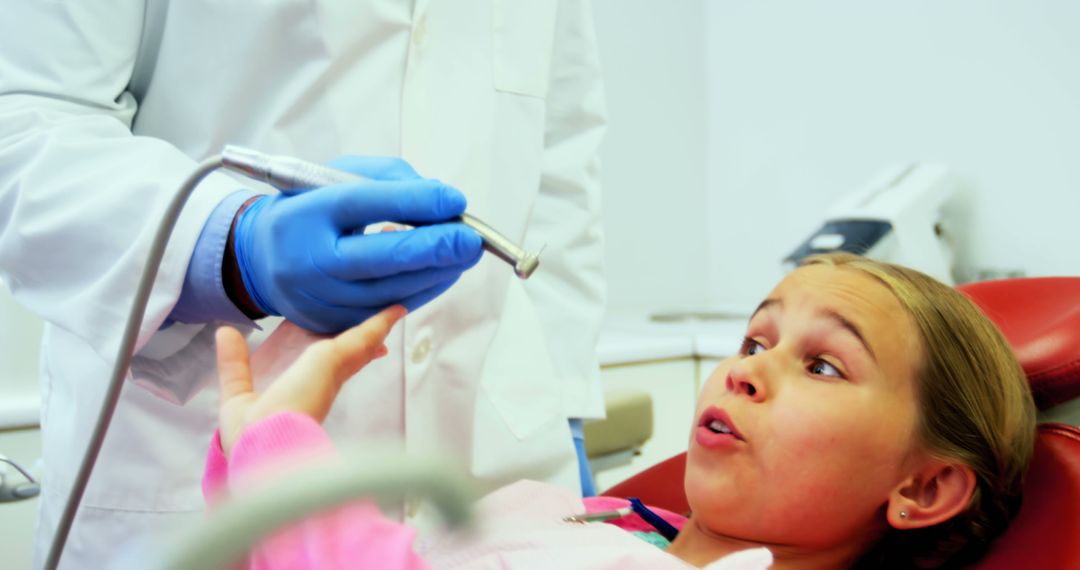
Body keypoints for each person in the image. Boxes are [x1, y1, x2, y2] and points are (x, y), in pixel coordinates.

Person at [0, 2, 607, 568]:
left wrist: (565, 403)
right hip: (188, 450)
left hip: (499, 464)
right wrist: (230, 245)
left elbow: (561, 157)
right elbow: (23, 121)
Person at [205, 253, 1037, 569]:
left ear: (924, 489)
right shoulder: (605, 519)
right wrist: (245, 471)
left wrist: (283, 456)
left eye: (822, 365)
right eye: (755, 343)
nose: (744, 375)